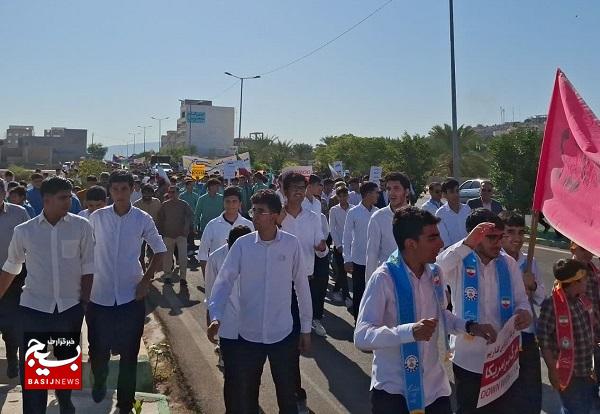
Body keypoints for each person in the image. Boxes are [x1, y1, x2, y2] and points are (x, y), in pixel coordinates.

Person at [355, 207, 495, 414]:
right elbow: (362, 336)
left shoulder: (435, 273)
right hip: (394, 392)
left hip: (434, 389)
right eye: (433, 238)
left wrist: (470, 326)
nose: (440, 243)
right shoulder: (383, 278)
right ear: (411, 244)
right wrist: (409, 332)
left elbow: (441, 315)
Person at [207, 190, 312, 414]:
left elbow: (302, 288)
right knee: (247, 395)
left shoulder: (291, 245)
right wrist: (215, 316)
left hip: (282, 334)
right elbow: (223, 283)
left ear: (275, 215)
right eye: (253, 210)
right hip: (249, 336)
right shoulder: (243, 245)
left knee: (286, 395)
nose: (254, 216)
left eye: (260, 211)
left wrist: (305, 329)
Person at [1, 176, 94, 413]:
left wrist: (84, 303)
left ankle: (64, 402)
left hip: (69, 310)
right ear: (47, 200)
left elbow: (88, 267)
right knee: (35, 374)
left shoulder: (81, 226)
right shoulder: (25, 231)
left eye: (70, 197)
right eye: (63, 198)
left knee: (63, 366)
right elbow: (12, 266)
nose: (69, 202)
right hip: (34, 310)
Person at [436, 208, 532, 413]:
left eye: (500, 236)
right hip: (469, 359)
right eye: (491, 237)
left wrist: (524, 313)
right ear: (475, 237)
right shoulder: (459, 261)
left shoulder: (508, 263)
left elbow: (521, 301)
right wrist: (467, 244)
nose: (498, 242)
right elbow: (438, 268)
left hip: (503, 358)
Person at [87, 170, 166, 413]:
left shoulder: (142, 219)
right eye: (115, 189)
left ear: (132, 190)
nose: (119, 194)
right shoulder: (96, 218)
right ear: (109, 191)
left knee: (129, 354)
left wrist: (145, 281)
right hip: (98, 296)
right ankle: (99, 381)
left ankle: (125, 403)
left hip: (130, 297)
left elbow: (160, 252)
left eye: (124, 189)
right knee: (98, 350)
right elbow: (81, 249)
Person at [279, 172, 326, 412]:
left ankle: (296, 393)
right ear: (284, 191)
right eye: (293, 188)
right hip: (279, 285)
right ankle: (289, 393)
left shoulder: (313, 215)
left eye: (302, 187)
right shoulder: (278, 215)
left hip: (303, 282)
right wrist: (277, 220)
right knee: (280, 343)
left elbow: (320, 243)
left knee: (294, 342)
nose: (298, 191)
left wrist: (321, 247)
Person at [498, 211, 545, 414]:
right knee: (503, 393)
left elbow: (542, 298)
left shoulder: (529, 262)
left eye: (521, 232)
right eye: (510, 232)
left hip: (526, 335)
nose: (517, 238)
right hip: (501, 336)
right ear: (500, 234)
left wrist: (532, 284)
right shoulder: (494, 261)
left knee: (530, 391)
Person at [537, 259, 598, 414]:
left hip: (587, 369)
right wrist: (552, 370)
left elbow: (590, 327)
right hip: (570, 373)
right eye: (584, 280)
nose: (587, 283)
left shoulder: (581, 300)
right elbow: (543, 340)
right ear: (574, 282)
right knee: (574, 409)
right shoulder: (552, 305)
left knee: (589, 406)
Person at [204, 225, 253, 367]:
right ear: (227, 242)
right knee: (230, 368)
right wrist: (211, 316)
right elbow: (210, 290)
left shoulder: (257, 255)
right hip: (226, 320)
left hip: (251, 321)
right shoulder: (215, 258)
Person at [0, 179, 30, 379]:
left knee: (11, 322)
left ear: (4, 193)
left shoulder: (19, 213)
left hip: (13, 276)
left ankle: (13, 358)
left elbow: (32, 241)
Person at [342, 181, 379, 320]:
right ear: (368, 194)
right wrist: (347, 259)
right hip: (358, 261)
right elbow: (346, 237)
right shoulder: (353, 212)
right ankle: (359, 323)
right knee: (359, 293)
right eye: (376, 192)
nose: (378, 195)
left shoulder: (378, 213)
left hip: (376, 262)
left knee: (375, 294)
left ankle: (372, 321)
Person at [197, 186, 253, 275]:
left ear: (240, 204)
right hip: (218, 275)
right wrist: (207, 279)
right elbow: (203, 254)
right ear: (223, 203)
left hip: (243, 276)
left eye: (234, 201)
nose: (231, 205)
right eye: (228, 201)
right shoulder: (212, 225)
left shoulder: (249, 225)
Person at [365, 172, 411, 279]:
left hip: (415, 283)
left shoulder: (419, 217)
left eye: (396, 188)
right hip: (388, 281)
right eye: (389, 189)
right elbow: (371, 255)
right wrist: (370, 288)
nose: (391, 193)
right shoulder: (378, 218)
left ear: (407, 191)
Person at [156, 184, 194, 285]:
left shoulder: (184, 204)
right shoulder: (164, 205)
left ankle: (183, 277)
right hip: (168, 234)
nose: (171, 194)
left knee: (182, 257)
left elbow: (189, 215)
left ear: (178, 193)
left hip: (181, 235)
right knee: (167, 258)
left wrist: (186, 228)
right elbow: (160, 218)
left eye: (173, 192)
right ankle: (167, 276)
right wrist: (161, 231)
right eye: (170, 192)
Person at [328, 186, 354, 306]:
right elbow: (332, 228)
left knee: (348, 271)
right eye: (340, 196)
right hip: (339, 246)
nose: (343, 198)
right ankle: (346, 296)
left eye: (345, 196)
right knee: (342, 271)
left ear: (348, 196)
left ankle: (336, 290)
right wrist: (338, 245)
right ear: (337, 197)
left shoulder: (353, 209)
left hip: (352, 245)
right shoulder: (334, 210)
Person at [435, 178, 471, 249]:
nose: (455, 194)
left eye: (457, 191)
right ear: (444, 195)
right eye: (451, 192)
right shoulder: (440, 213)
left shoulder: (467, 209)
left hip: (469, 251)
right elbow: (445, 242)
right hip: (451, 254)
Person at [133, 184, 162, 272]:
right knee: (140, 255)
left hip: (153, 232)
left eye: (149, 194)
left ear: (152, 194)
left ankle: (150, 271)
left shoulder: (157, 202)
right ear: (142, 194)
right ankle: (143, 272)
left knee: (153, 253)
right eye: (145, 194)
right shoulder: (136, 204)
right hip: (140, 233)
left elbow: (160, 216)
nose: (147, 196)